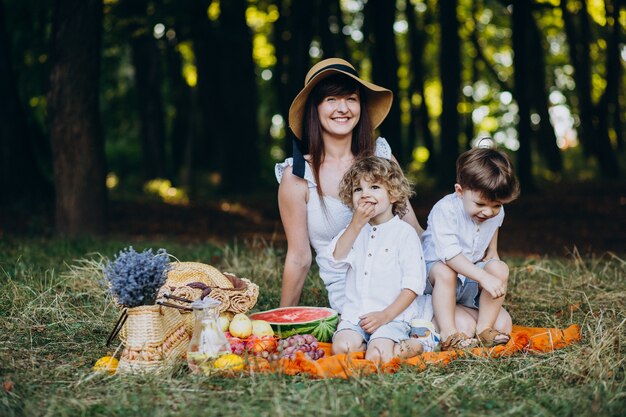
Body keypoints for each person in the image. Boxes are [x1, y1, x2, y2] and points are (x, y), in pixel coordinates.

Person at [275, 58, 423, 313]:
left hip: (403, 287)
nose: (342, 108)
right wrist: (281, 319)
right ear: (315, 108)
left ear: (361, 107)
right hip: (353, 299)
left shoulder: (382, 158)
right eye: (331, 99)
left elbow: (413, 228)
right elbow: (299, 257)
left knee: (470, 320)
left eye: (351, 99)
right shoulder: (298, 176)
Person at [320, 156, 427, 362]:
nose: (365, 194)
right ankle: (369, 342)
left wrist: (385, 315)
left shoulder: (404, 234)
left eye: (375, 187)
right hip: (355, 316)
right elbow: (336, 259)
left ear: (394, 194)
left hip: (391, 317)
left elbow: (413, 286)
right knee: (341, 348)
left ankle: (418, 343)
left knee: (379, 356)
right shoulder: (352, 231)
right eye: (358, 189)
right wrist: (356, 225)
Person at [421, 142, 520, 350]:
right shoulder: (445, 210)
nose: (488, 212)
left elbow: (493, 231)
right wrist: (483, 277)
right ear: (460, 191)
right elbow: (451, 257)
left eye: (496, 205)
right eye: (481, 204)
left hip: (469, 279)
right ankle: (448, 332)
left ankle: (485, 328)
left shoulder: (495, 211)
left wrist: (492, 254)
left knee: (500, 273)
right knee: (446, 271)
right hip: (436, 281)